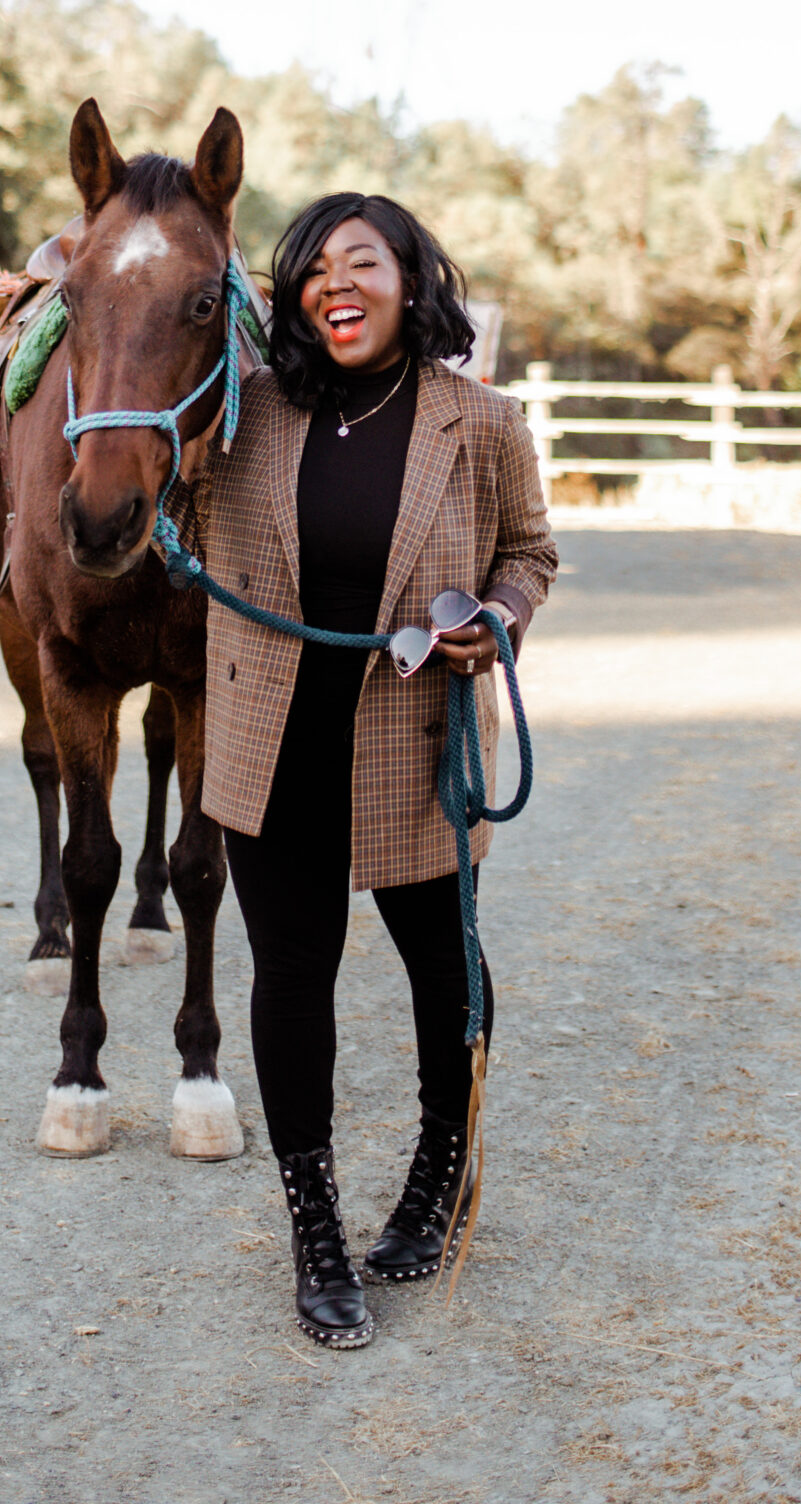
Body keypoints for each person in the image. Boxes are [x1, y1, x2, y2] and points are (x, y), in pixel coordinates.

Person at [186, 192, 559, 1348]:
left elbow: (529, 550)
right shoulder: (246, 414)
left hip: (413, 736)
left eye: (360, 262)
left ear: (408, 278)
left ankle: (439, 1174)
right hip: (271, 742)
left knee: (441, 971)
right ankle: (313, 1228)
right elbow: (138, 449)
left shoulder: (478, 420)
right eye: (310, 270)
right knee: (288, 980)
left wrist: (496, 614)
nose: (332, 285)